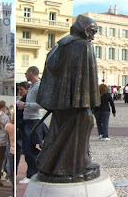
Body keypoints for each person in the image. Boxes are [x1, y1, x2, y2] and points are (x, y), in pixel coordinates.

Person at [34, 15, 101, 183]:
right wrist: (90, 101)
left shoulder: (62, 44)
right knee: (86, 120)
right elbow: (89, 78)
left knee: (59, 131)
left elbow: (51, 65)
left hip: (62, 102)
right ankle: (77, 164)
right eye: (92, 32)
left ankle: (53, 165)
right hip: (77, 102)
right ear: (84, 30)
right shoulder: (84, 46)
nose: (93, 36)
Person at [17, 66, 47, 184]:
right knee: (28, 148)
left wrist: (25, 105)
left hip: (34, 120)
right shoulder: (33, 87)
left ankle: (32, 174)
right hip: (30, 120)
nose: (25, 74)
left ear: (31, 73)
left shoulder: (38, 86)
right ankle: (34, 171)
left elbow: (42, 104)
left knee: (29, 148)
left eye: (26, 73)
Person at [4, 108, 16, 192]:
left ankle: (10, 178)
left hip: (11, 147)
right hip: (16, 148)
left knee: (9, 164)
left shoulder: (8, 126)